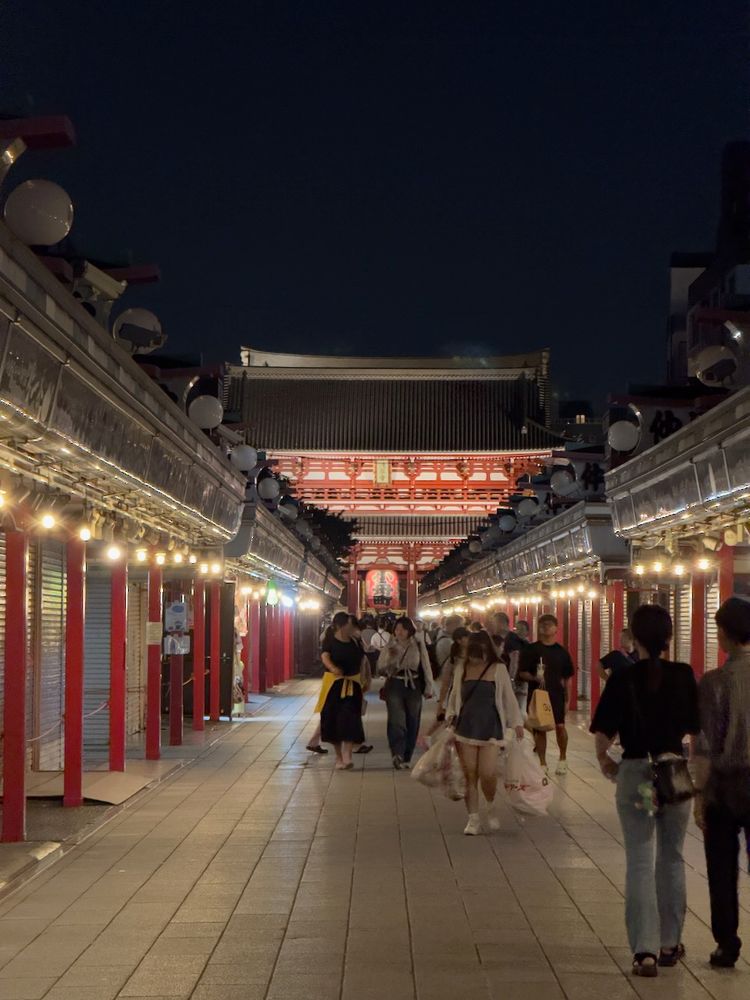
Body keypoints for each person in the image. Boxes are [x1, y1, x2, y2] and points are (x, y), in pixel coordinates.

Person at [590, 604, 699, 978]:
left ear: (633, 639)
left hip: (636, 772)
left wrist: (607, 763)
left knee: (639, 859)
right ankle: (671, 942)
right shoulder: (683, 675)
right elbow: (691, 728)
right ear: (669, 638)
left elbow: (602, 731)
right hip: (673, 773)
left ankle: (644, 950)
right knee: (671, 858)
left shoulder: (622, 678)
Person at [693, 597, 750, 968]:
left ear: (724, 635)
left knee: (722, 867)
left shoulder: (714, 682)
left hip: (726, 787)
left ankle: (726, 944)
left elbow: (705, 745)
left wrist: (699, 795)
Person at [445, 637, 524, 835]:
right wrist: (450, 714)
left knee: (487, 773)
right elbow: (455, 694)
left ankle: (490, 802)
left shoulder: (499, 669)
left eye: (479, 655)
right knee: (470, 774)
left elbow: (508, 697)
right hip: (466, 727)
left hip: (491, 728)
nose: (475, 660)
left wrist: (516, 723)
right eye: (472, 655)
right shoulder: (462, 669)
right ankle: (473, 819)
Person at [517, 614, 574, 775]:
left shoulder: (562, 652)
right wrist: (535, 677)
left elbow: (567, 678)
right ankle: (542, 763)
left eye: (549, 624)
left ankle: (562, 758)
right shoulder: (531, 649)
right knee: (540, 729)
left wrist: (567, 700)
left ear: (556, 628)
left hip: (557, 695)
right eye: (542, 624)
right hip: (537, 695)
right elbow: (522, 673)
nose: (545, 627)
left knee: (560, 727)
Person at [378, 616, 434, 769]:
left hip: (413, 684)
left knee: (413, 720)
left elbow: (425, 664)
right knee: (396, 719)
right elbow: (380, 668)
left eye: (402, 629)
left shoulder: (418, 643)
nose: (399, 632)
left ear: (410, 630)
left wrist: (429, 686)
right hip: (395, 683)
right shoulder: (390, 645)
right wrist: (391, 657)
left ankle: (407, 755)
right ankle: (397, 753)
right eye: (396, 629)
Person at [318, 611, 367, 770]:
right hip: (335, 686)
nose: (351, 628)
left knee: (351, 720)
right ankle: (339, 756)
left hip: (353, 685)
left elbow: (363, 661)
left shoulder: (356, 641)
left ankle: (348, 755)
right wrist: (333, 667)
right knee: (333, 721)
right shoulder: (330, 641)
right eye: (348, 625)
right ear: (340, 626)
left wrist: (366, 679)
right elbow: (325, 656)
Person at [432, 614, 464, 680]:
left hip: (443, 676)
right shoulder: (448, 642)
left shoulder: (441, 636)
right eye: (460, 625)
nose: (462, 628)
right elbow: (459, 660)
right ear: (452, 625)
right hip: (447, 677)